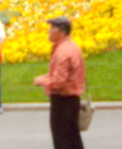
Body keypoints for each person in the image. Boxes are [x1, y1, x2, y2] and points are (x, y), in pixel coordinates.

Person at [34, 16, 86, 149]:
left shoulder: (62, 52)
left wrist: (42, 81)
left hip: (63, 100)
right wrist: (48, 77)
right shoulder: (71, 46)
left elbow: (59, 82)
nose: (49, 32)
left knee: (62, 140)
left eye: (52, 29)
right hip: (72, 99)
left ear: (62, 32)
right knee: (73, 138)